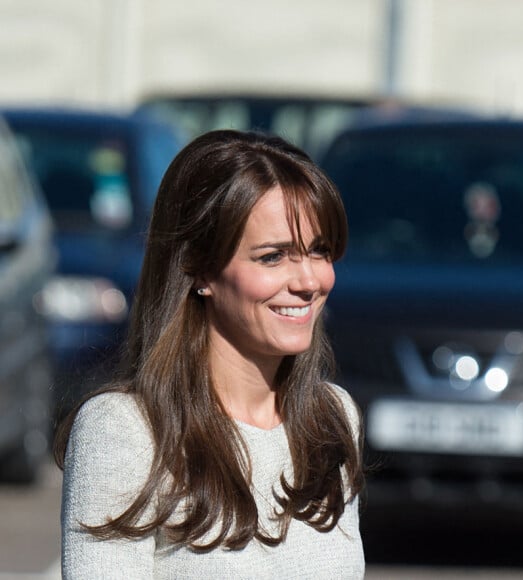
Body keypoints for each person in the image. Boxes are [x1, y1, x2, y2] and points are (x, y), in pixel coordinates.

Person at [54, 129, 365, 579]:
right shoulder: (126, 430)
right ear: (199, 269)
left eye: (319, 251)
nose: (308, 281)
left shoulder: (333, 418)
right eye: (273, 256)